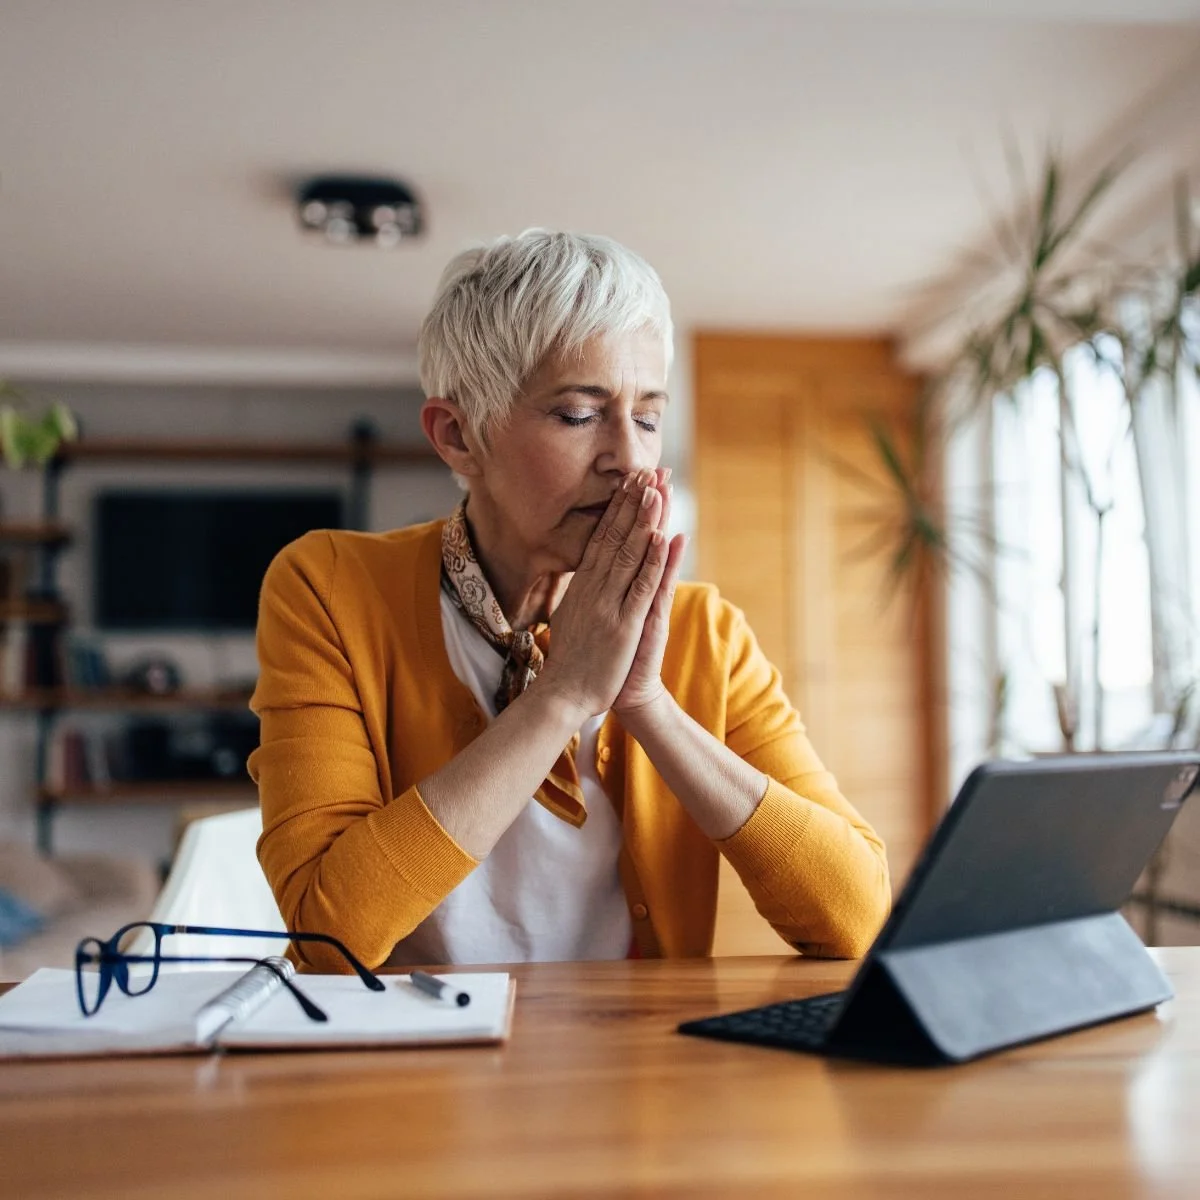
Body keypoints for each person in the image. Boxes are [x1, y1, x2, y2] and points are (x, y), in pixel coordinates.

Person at [249, 230, 889, 972]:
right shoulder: (329, 589)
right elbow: (329, 936)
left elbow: (855, 917)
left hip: (636, 1074)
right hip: (417, 1075)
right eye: (580, 416)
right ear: (459, 437)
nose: (629, 457)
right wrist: (560, 697)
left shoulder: (704, 633)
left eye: (648, 418)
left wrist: (645, 702)